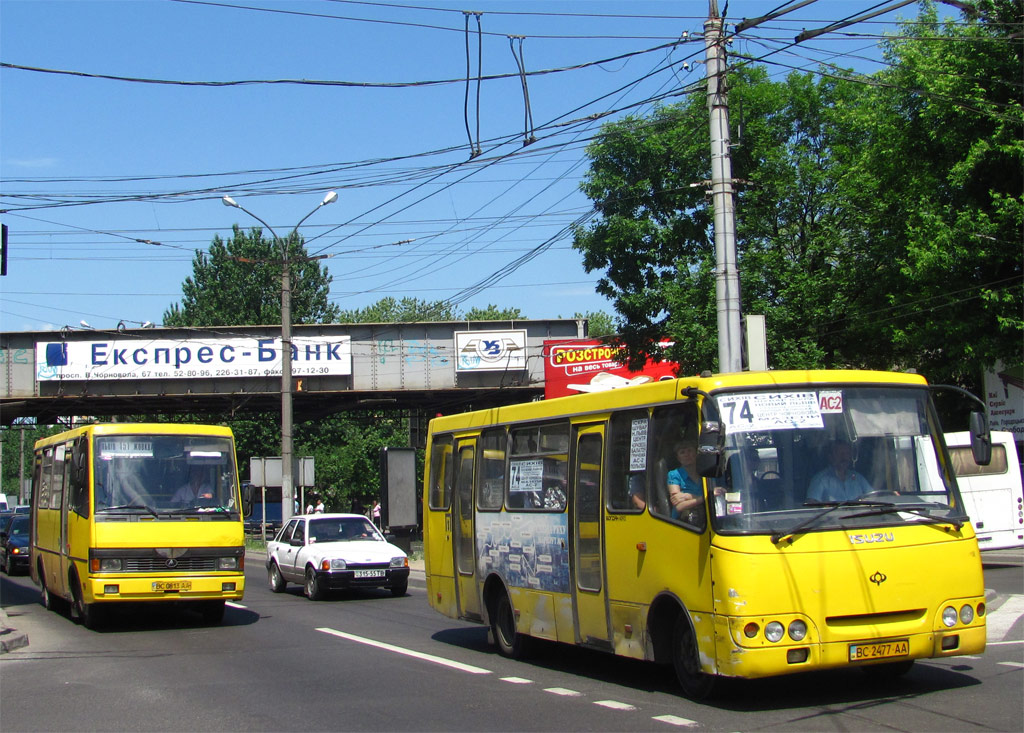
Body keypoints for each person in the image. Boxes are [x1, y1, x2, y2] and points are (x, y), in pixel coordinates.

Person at [807, 440, 873, 502]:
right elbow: (811, 504)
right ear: (831, 457)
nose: (844, 458)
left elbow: (873, 498)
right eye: (840, 454)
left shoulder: (858, 478)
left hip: (861, 514)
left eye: (847, 454)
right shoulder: (820, 479)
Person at [667, 441, 704, 519]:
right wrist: (703, 498)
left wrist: (687, 496)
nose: (687, 454)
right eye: (682, 452)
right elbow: (679, 506)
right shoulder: (674, 474)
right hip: (682, 522)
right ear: (678, 458)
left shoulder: (705, 473)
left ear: (696, 453)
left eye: (689, 450)